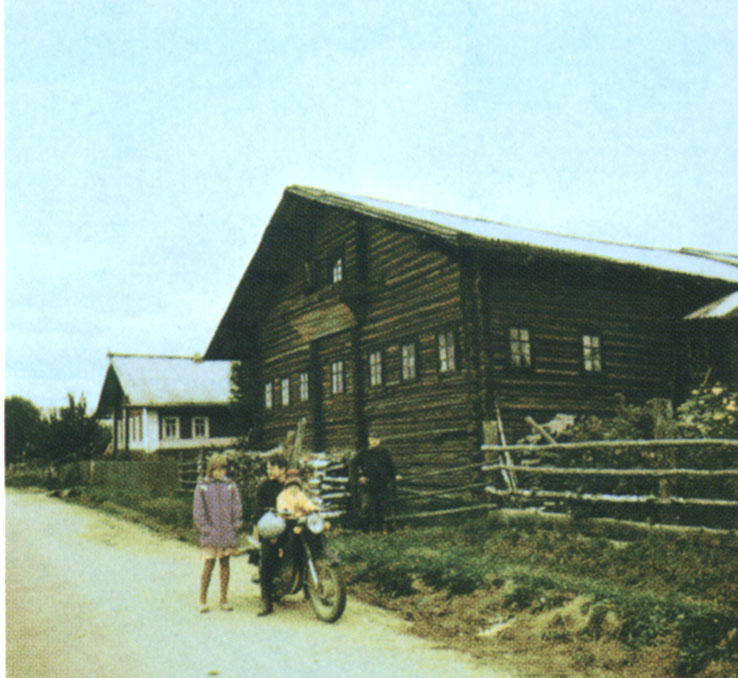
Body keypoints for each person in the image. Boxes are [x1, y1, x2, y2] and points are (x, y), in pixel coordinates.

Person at [193, 453, 242, 613]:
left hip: (227, 533)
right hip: (211, 535)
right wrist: (205, 529)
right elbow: (198, 511)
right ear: (211, 469)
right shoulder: (202, 487)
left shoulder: (230, 486)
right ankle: (202, 599)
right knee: (209, 565)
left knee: (225, 564)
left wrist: (236, 525)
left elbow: (236, 507)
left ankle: (224, 599)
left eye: (223, 469)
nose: (221, 472)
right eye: (217, 469)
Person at [254, 452, 288, 617]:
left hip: (290, 527)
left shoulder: (291, 485)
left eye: (272, 468)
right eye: (268, 468)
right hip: (271, 527)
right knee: (267, 559)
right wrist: (264, 531)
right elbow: (258, 510)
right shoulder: (264, 486)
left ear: (283, 469)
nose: (269, 471)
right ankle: (267, 602)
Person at [354, 432, 397, 532]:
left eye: (375, 439)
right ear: (368, 440)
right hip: (368, 484)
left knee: (383, 506)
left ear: (379, 441)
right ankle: (365, 530)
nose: (373, 442)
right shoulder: (364, 452)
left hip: (382, 484)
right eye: (371, 439)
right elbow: (354, 465)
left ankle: (386, 528)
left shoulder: (384, 452)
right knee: (366, 506)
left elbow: (391, 465)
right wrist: (360, 476)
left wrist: (395, 475)